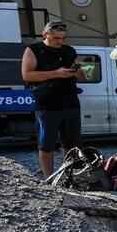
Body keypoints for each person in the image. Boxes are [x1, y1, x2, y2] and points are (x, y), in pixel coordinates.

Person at [22, 21, 85, 178]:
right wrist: (56, 73)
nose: (60, 42)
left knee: (72, 144)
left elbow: (82, 76)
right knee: (46, 144)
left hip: (70, 101)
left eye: (63, 38)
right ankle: (49, 178)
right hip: (47, 104)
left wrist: (78, 72)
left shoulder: (69, 50)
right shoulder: (34, 50)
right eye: (56, 38)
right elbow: (27, 75)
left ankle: (69, 177)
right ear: (45, 35)